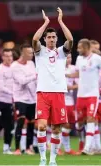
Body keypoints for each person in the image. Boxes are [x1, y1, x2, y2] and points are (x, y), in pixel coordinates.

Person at [32, 8, 73, 166]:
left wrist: (61, 22)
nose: (51, 39)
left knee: (56, 129)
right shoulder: (39, 51)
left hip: (59, 93)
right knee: (42, 126)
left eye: (54, 36)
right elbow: (35, 39)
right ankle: (42, 159)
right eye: (48, 37)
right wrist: (46, 23)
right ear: (45, 39)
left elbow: (70, 39)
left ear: (57, 38)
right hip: (43, 93)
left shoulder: (61, 52)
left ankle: (53, 160)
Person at [66, 39, 101, 155]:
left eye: (80, 47)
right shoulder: (79, 59)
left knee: (91, 119)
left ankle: (88, 148)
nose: (78, 50)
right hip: (80, 95)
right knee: (80, 123)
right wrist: (64, 74)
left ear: (87, 47)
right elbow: (78, 73)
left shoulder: (97, 59)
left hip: (92, 95)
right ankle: (93, 146)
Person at [11, 44, 37, 155]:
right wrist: (35, 75)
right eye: (29, 53)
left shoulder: (31, 64)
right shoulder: (15, 66)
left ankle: (28, 148)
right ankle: (17, 148)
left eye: (32, 52)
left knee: (31, 123)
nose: (32, 55)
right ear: (23, 53)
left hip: (32, 98)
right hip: (20, 98)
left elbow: (35, 80)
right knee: (21, 121)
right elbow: (21, 81)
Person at [59, 53, 78, 155]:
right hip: (61, 100)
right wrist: (77, 86)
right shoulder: (58, 69)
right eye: (66, 57)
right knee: (62, 124)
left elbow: (77, 79)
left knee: (69, 125)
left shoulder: (73, 68)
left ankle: (67, 149)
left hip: (71, 101)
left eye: (70, 57)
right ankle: (57, 147)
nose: (68, 59)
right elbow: (65, 87)